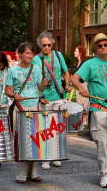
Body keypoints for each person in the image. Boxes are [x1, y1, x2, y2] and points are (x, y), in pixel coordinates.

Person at [71, 33, 107, 188]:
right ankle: (105, 174)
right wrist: (81, 88)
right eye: (99, 46)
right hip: (98, 109)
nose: (103, 47)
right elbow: (74, 79)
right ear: (95, 49)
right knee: (102, 143)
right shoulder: (89, 64)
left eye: (105, 45)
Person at [5, 42, 47, 184]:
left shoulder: (36, 68)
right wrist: (14, 96)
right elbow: (8, 91)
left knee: (36, 141)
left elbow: (39, 88)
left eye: (31, 53)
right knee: (21, 141)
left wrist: (44, 85)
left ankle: (33, 173)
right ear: (21, 54)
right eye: (27, 53)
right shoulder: (13, 71)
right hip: (20, 108)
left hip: (35, 106)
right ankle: (21, 175)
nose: (30, 56)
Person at [31, 31, 71, 169]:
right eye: (44, 46)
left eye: (49, 45)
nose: (47, 48)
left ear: (53, 43)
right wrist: (40, 96)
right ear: (40, 46)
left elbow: (66, 72)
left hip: (59, 96)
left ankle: (55, 155)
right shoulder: (37, 59)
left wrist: (67, 84)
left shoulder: (58, 56)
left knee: (57, 128)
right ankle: (45, 158)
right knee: (45, 128)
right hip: (45, 98)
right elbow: (34, 81)